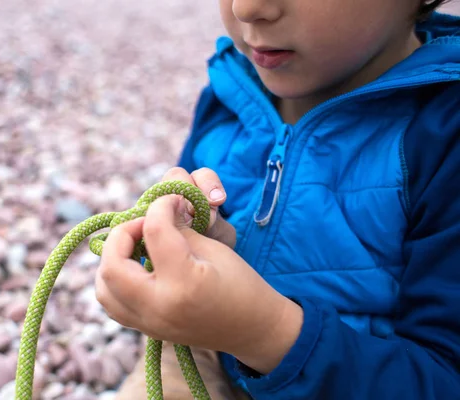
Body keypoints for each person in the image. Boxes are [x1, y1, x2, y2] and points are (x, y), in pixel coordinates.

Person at [94, 0, 460, 398]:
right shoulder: (231, 91)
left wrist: (265, 331)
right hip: (208, 353)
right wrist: (186, 241)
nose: (247, 8)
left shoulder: (445, 136)